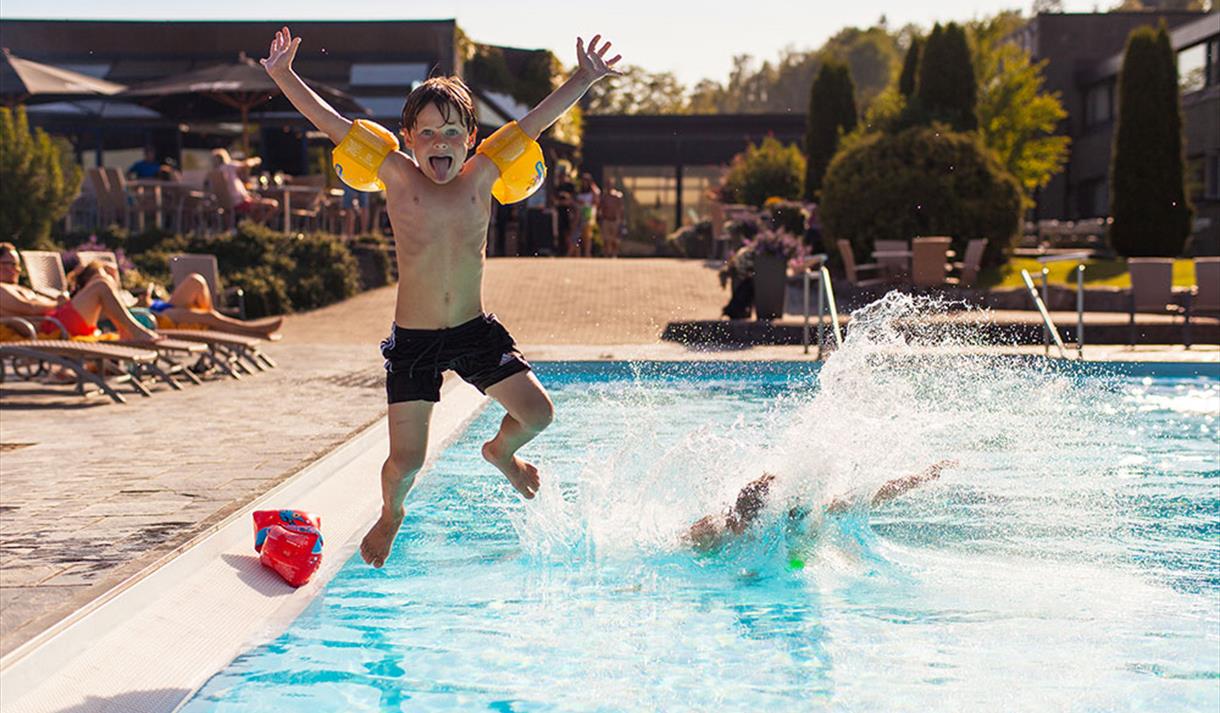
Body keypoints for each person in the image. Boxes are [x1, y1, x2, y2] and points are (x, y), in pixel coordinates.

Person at [262, 26, 622, 568]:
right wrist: (285, 75)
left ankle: (501, 451)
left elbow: (536, 120)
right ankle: (391, 514)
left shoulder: (483, 175)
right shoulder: (395, 175)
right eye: (427, 133)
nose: (440, 144)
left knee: (539, 414)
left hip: (475, 330)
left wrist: (586, 77)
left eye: (452, 133)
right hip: (415, 342)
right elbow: (330, 124)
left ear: (472, 138)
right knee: (406, 462)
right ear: (407, 137)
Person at [685, 460, 957, 554]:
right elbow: (676, 544)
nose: (743, 529)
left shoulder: (801, 514)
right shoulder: (719, 527)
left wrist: (922, 477)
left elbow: (870, 496)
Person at [70, 260, 284, 339]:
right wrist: (138, 304)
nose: (114, 276)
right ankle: (253, 331)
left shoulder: (111, 290)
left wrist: (144, 299)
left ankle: (216, 329)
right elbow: (116, 317)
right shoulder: (98, 295)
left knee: (196, 281)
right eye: (108, 273)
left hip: (159, 307)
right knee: (208, 316)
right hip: (156, 317)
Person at [0, 243, 160, 343]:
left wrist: (65, 296)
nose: (17, 269)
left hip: (59, 320)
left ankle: (126, 330)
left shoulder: (16, 288)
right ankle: (135, 331)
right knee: (100, 285)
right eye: (11, 264)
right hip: (53, 326)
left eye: (18, 265)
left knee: (104, 279)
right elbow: (28, 308)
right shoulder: (1, 289)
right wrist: (58, 303)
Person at [209, 148, 279, 225]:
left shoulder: (215, 173)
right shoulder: (229, 166)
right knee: (273, 204)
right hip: (240, 203)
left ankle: (251, 226)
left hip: (228, 205)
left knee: (255, 204)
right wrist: (256, 160)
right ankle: (257, 226)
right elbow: (246, 164)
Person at [573, 173, 600, 257]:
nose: (584, 182)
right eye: (583, 180)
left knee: (587, 237)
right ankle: (579, 254)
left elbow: (596, 201)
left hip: (588, 216)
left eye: (586, 180)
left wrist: (592, 186)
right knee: (578, 236)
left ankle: (587, 254)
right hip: (578, 216)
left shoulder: (592, 191)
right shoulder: (580, 191)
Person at [598, 183, 625, 258]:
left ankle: (614, 254)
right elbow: (600, 208)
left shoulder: (618, 196)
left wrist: (621, 220)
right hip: (606, 219)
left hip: (615, 220)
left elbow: (621, 208)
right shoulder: (604, 197)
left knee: (615, 239)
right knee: (606, 239)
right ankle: (606, 254)